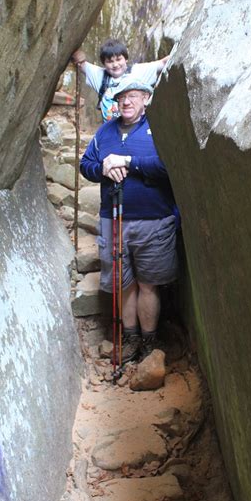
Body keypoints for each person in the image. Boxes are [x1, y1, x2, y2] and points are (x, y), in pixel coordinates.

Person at [80, 77, 178, 363]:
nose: (127, 101)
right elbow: (86, 165)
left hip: (153, 220)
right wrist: (103, 168)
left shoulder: (158, 130)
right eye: (122, 96)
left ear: (146, 100)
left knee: (148, 283)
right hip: (114, 219)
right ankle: (131, 338)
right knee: (125, 284)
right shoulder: (105, 131)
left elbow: (167, 165)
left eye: (134, 96)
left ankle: (149, 342)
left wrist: (127, 163)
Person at [71, 38, 169, 122]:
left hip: (137, 130)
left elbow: (164, 63)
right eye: (109, 61)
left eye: (118, 59)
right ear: (104, 63)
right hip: (112, 133)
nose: (115, 65)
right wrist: (79, 56)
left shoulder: (138, 71)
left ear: (125, 59)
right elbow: (77, 59)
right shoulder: (99, 76)